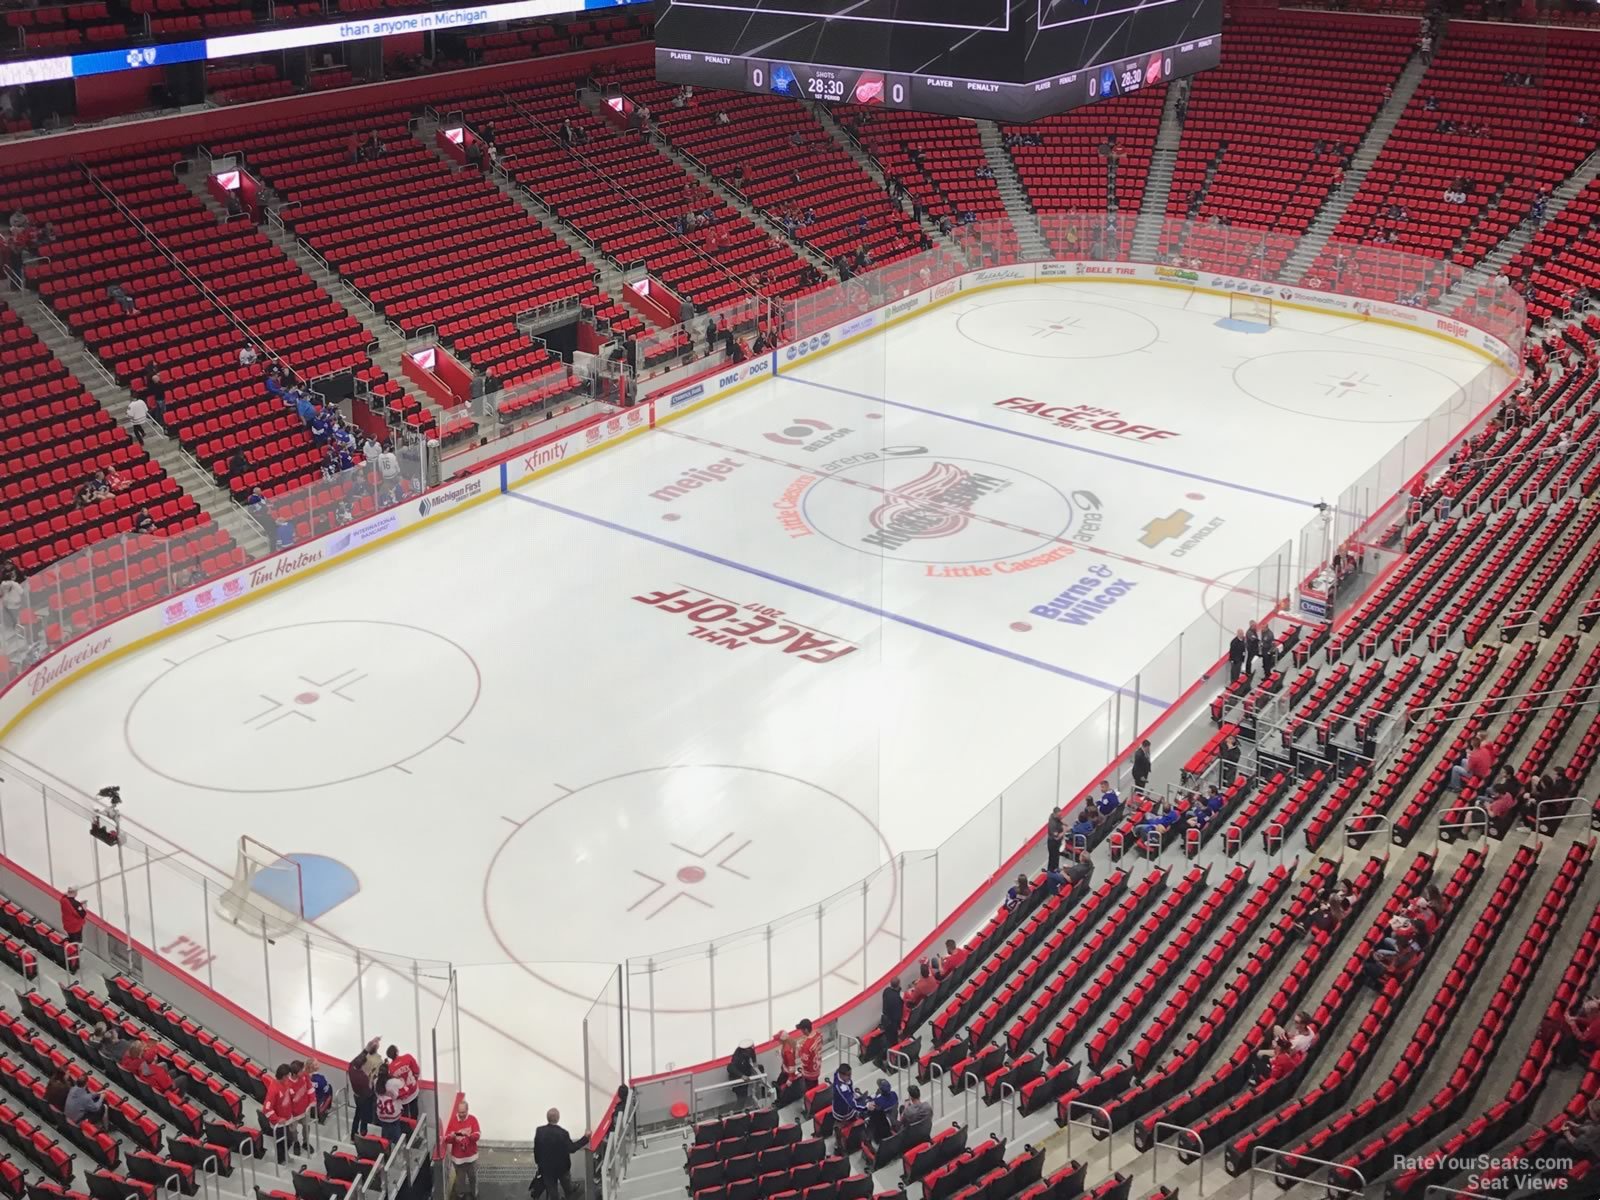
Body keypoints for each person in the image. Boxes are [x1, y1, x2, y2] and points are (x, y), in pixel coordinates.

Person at [532, 1108, 587, 1200]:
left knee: (553, 1193)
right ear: (558, 1118)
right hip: (562, 1168)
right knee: (568, 1189)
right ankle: (571, 1190)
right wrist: (586, 1138)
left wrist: (539, 1163)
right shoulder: (563, 1133)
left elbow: (536, 1149)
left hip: (547, 1169)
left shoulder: (540, 1131)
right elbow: (572, 1148)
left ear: (547, 1118)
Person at [447, 1098, 481, 1200]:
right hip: (458, 1159)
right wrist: (453, 1137)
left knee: (473, 1178)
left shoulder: (473, 1119)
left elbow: (477, 1135)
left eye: (463, 1112)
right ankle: (460, 1195)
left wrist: (469, 1135)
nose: (461, 1114)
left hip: (472, 1157)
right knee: (460, 1180)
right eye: (459, 1112)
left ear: (467, 1110)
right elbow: (447, 1139)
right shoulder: (453, 1121)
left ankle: (475, 1194)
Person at [266, 1064, 300, 1162]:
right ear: (284, 1076)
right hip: (279, 1123)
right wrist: (277, 1119)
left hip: (288, 1118)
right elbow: (267, 1109)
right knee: (285, 1141)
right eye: (288, 1075)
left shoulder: (286, 1083)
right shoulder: (273, 1089)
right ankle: (282, 1159)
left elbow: (290, 1092)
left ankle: (285, 1156)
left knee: (289, 1139)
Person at [348, 1037, 380, 1137]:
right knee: (365, 1117)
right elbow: (369, 1087)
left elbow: (363, 1053)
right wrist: (371, 1076)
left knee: (357, 1115)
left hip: (356, 1095)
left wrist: (369, 1045)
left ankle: (353, 1134)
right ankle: (363, 1132)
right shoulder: (362, 1077)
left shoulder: (351, 1067)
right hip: (364, 1097)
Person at [386, 1044, 421, 1119]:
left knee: (405, 1114)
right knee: (414, 1111)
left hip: (403, 1095)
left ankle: (407, 1129)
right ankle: (414, 1126)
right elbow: (417, 1071)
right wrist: (414, 1080)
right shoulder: (408, 1057)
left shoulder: (390, 1068)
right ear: (397, 1051)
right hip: (413, 1090)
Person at [375, 1066, 406, 1142]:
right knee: (396, 1131)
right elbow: (406, 1091)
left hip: (381, 1113)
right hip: (393, 1114)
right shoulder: (395, 1082)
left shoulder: (376, 1081)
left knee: (385, 1131)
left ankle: (385, 1147)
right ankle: (398, 1148)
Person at [866, 1078, 898, 1143]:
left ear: (881, 1090)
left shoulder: (878, 1101)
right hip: (894, 1116)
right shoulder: (894, 1094)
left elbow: (871, 1104)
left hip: (885, 1122)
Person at [797, 1018, 822, 1092]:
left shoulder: (806, 1045)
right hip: (817, 1069)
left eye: (801, 1030)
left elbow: (805, 1063)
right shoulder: (818, 1035)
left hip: (810, 1074)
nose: (801, 1032)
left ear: (806, 1030)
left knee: (810, 1093)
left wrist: (800, 1049)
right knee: (815, 1087)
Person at [60, 886, 86, 951]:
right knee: (77, 941)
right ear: (75, 893)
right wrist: (84, 907)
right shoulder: (76, 904)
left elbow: (64, 897)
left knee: (72, 939)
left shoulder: (63, 900)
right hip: (75, 927)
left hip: (67, 925)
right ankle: (77, 952)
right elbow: (82, 914)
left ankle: (72, 949)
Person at [1046, 806, 1065, 872]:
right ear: (1054, 814)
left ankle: (1056, 868)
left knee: (1056, 856)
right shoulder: (1052, 824)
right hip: (1053, 842)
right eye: (1059, 815)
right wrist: (1064, 831)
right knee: (1053, 857)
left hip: (1057, 843)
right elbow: (1056, 837)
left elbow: (1060, 821)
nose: (1061, 816)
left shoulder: (1055, 817)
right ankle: (1051, 871)